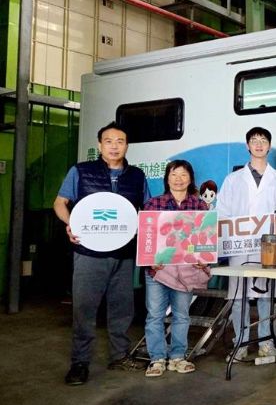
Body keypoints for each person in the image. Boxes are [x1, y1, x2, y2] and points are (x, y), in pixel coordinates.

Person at [53, 122, 150, 385]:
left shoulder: (137, 176)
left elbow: (146, 214)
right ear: (99, 145)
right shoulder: (81, 171)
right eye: (109, 141)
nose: (115, 146)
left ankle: (119, 355)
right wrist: (71, 223)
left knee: (122, 308)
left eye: (120, 141)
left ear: (127, 145)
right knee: (84, 308)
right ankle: (80, 362)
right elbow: (60, 203)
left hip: (124, 252)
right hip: (89, 251)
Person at [217, 127, 276, 362]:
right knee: (239, 297)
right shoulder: (233, 179)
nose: (259, 144)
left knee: (266, 295)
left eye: (263, 140)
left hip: (268, 246)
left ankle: (265, 342)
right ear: (247, 146)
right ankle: (239, 342)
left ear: (269, 146)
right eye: (254, 140)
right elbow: (222, 212)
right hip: (239, 246)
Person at [142, 160, 210, 377]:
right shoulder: (154, 203)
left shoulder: (199, 205)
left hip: (186, 270)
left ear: (190, 178)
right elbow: (146, 237)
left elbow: (206, 238)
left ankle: (178, 357)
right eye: (174, 174)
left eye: (183, 174)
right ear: (167, 178)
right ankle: (157, 358)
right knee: (155, 315)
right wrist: (149, 260)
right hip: (158, 270)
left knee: (182, 315)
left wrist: (204, 259)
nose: (179, 179)